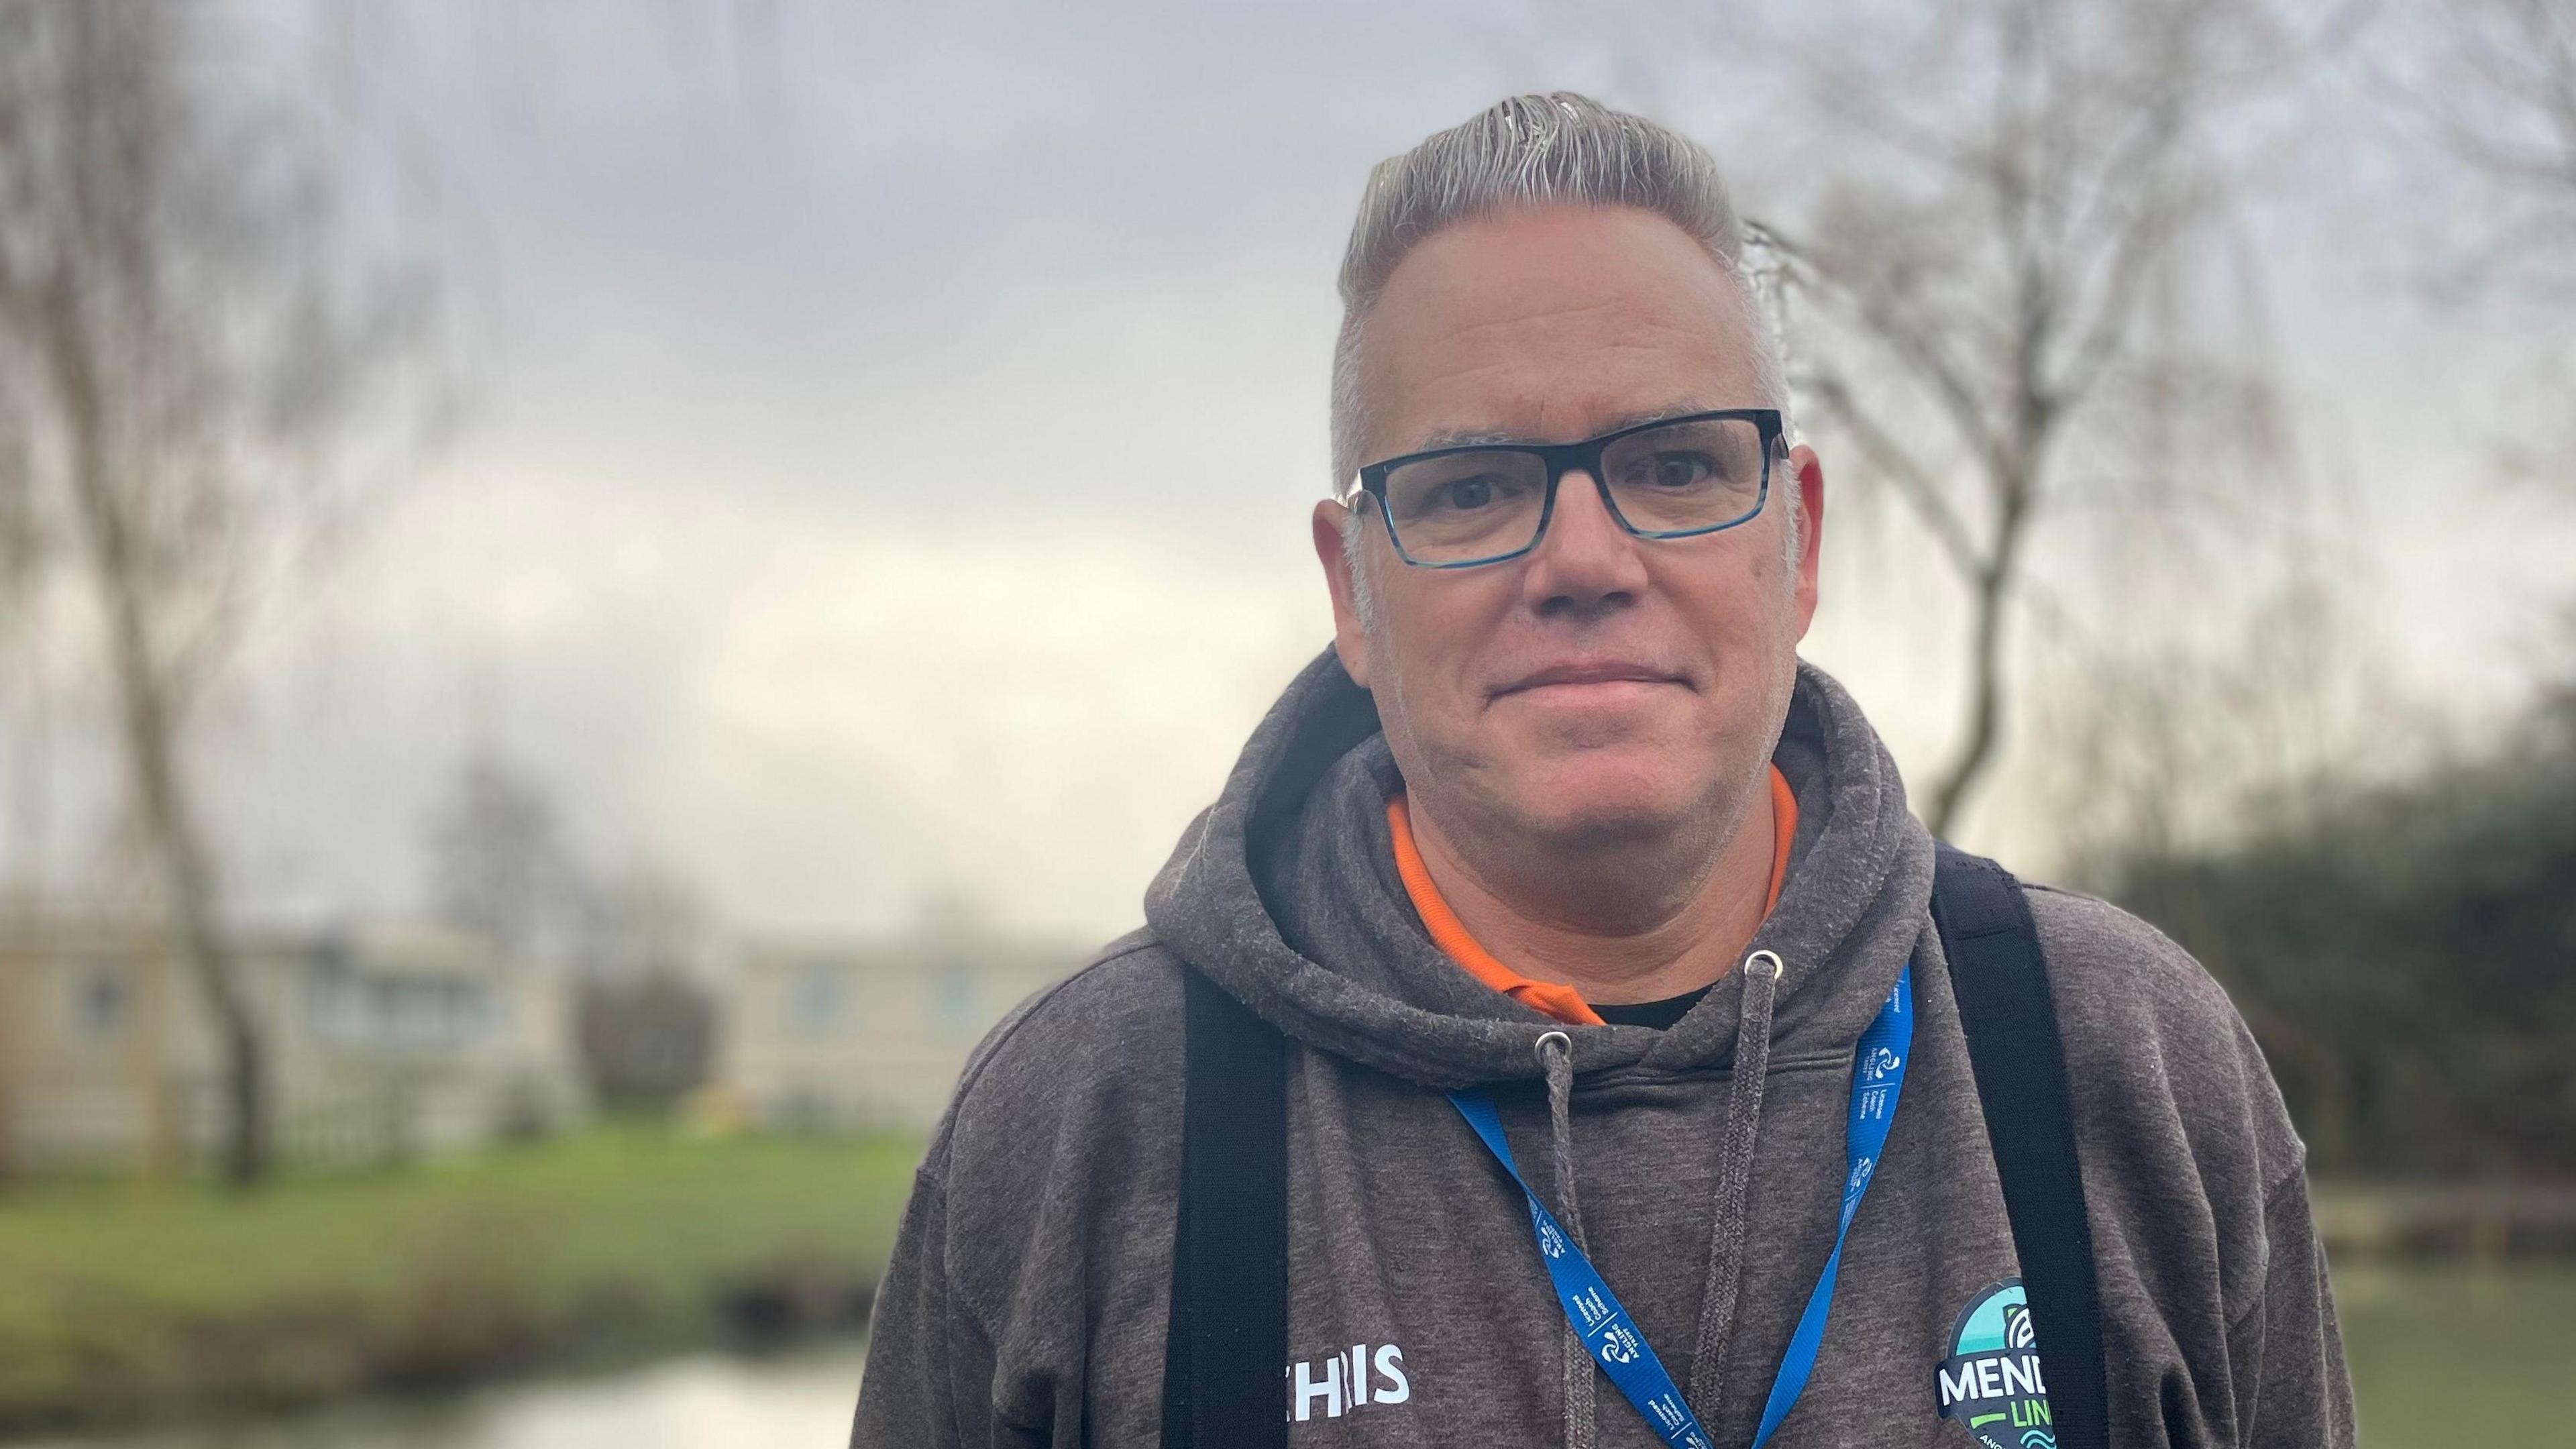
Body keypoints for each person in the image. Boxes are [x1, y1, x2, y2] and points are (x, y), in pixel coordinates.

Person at [851, 92, 2353, 1448]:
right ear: (1350, 589)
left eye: (1678, 465)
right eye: (1472, 486)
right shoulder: (1084, 1133)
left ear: (1800, 537)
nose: (1584, 560)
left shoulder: (2131, 1070)